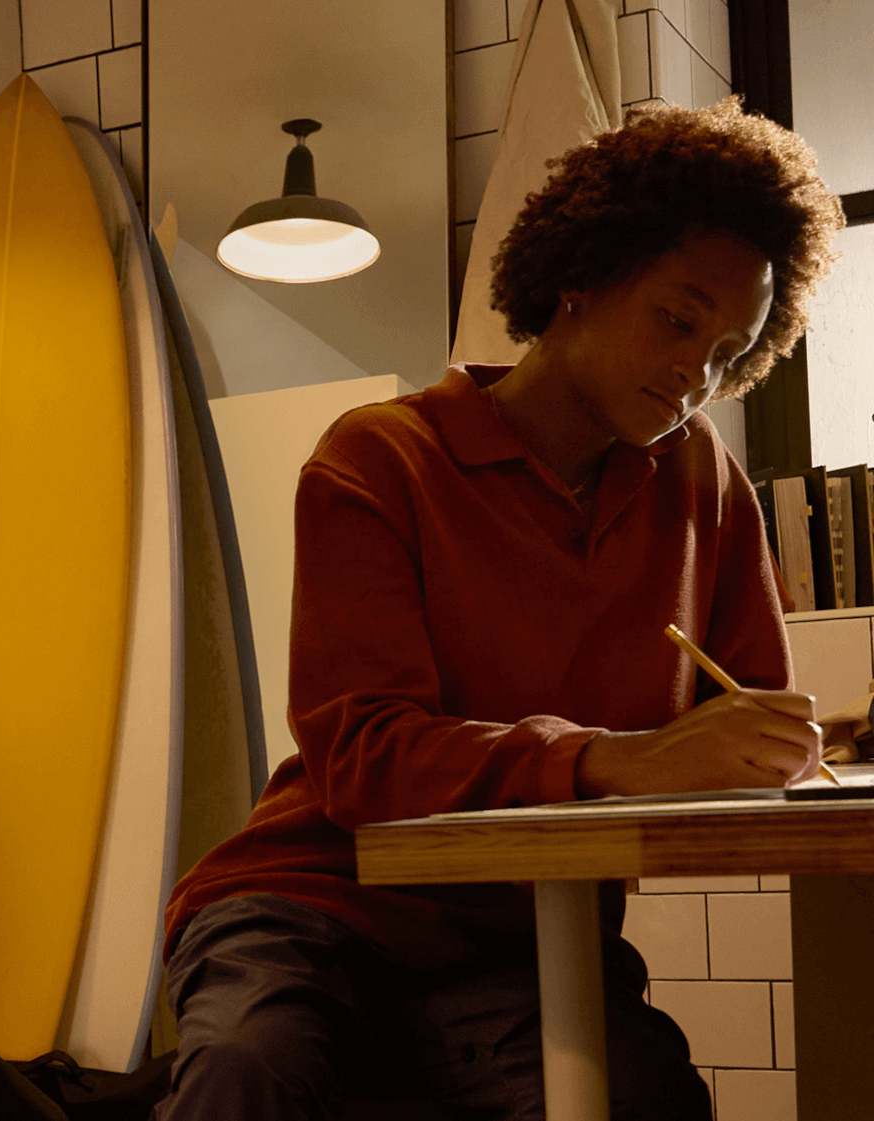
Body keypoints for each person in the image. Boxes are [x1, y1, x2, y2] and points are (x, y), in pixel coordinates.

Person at [156, 98, 843, 1120]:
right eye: (676, 317)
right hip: (308, 901)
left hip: (525, 939)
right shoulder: (381, 457)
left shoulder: (701, 483)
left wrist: (776, 744)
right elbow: (362, 758)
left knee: (643, 1101)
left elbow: (741, 729)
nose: (694, 374)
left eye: (725, 349)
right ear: (581, 275)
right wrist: (608, 758)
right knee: (250, 1075)